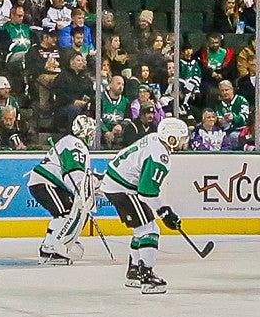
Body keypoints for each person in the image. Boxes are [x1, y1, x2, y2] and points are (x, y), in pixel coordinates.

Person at [101, 117, 188, 294]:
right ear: (171, 138)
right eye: (182, 137)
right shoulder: (160, 156)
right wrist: (164, 213)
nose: (184, 142)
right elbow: (147, 192)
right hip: (123, 188)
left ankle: (134, 272)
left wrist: (162, 211)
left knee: (141, 229)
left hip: (117, 183)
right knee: (151, 230)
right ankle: (147, 276)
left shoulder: (154, 138)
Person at [24, 132, 93, 265]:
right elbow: (74, 172)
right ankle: (51, 249)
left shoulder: (70, 141)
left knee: (67, 211)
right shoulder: (75, 144)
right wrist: (79, 190)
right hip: (45, 182)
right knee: (65, 213)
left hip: (47, 183)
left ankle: (53, 243)